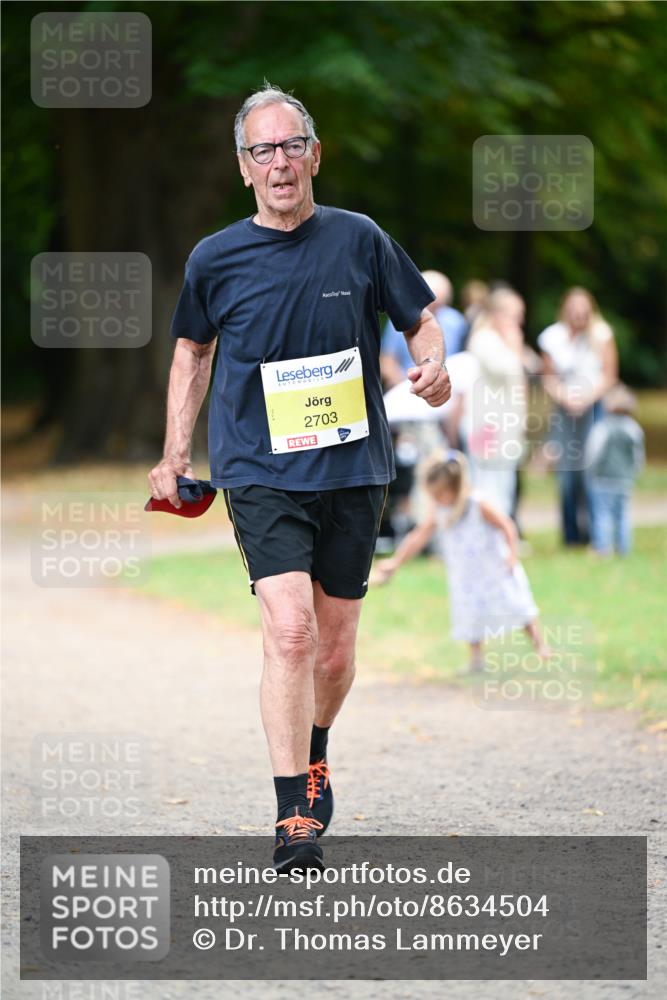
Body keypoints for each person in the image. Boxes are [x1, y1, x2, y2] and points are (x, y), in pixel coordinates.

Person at [147, 84, 451, 872]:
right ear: (242, 167)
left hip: (352, 467)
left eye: (290, 146)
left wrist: (433, 366)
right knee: (289, 631)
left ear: (314, 156)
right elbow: (192, 353)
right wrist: (175, 453)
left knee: (334, 652)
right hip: (259, 468)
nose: (278, 162)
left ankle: (314, 749)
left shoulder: (359, 239)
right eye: (262, 150)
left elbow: (419, 320)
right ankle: (292, 817)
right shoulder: (214, 258)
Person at [373, 451, 550, 674]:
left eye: (439, 494)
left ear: (454, 487)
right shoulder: (440, 510)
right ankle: (476, 659)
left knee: (516, 604)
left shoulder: (477, 503)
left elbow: (507, 525)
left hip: (494, 567)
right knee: (469, 612)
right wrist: (396, 562)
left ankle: (540, 645)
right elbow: (418, 536)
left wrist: (512, 555)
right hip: (466, 574)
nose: (435, 499)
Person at [538, 287, 618, 546]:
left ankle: (595, 531)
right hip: (564, 409)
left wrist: (587, 398)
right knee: (567, 471)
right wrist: (564, 397)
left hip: (593, 406)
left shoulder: (602, 335)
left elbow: (609, 376)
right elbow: (548, 377)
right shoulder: (552, 337)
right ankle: (571, 533)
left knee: (591, 467)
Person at [462, 288, 528, 517]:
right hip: (486, 425)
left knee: (504, 485)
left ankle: (502, 528)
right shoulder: (484, 339)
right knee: (487, 486)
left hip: (504, 426)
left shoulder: (501, 341)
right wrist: (515, 346)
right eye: (516, 315)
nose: (520, 322)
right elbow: (507, 369)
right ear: (499, 314)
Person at [585, 383, 645, 557]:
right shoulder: (634, 429)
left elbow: (593, 452)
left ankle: (603, 547)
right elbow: (638, 456)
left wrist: (590, 470)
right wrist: (634, 472)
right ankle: (623, 546)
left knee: (602, 514)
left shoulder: (603, 427)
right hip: (625, 479)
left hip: (603, 478)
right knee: (623, 514)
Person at [380, 270, 466, 387]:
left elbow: (463, 359)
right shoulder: (401, 318)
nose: (435, 311)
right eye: (431, 305)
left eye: (440, 304)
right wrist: (406, 386)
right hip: (407, 385)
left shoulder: (457, 322)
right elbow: (387, 360)